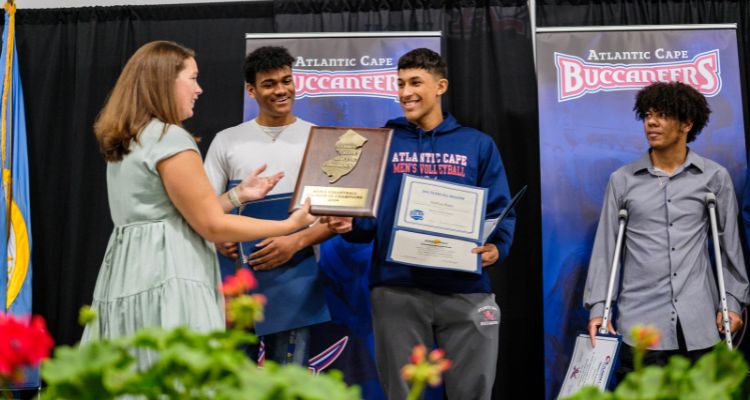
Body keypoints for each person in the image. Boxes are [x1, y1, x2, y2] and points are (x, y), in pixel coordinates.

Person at [80, 41, 315, 368]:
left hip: (127, 272)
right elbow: (210, 225)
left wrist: (237, 196)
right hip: (170, 272)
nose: (199, 89)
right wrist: (291, 226)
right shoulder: (171, 138)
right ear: (165, 82)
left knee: (135, 374)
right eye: (192, 78)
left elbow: (171, 211)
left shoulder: (132, 137)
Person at [325, 48, 516, 399]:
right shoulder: (382, 142)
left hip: (465, 287)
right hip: (397, 288)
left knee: (473, 392)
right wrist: (348, 224)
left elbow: (499, 210)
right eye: (399, 84)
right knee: (402, 393)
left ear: (440, 86)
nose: (405, 92)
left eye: (415, 82)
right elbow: (366, 219)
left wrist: (496, 247)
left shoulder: (477, 144)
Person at [584, 81, 750, 377]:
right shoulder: (622, 181)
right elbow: (606, 250)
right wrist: (599, 308)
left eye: (661, 115)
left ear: (687, 123)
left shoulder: (713, 178)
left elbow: (730, 248)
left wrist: (734, 303)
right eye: (647, 115)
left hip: (699, 324)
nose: (651, 122)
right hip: (641, 326)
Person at [204, 46, 333, 366]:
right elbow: (203, 207)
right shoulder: (226, 140)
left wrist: (295, 241)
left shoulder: (319, 137)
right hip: (234, 282)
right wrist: (217, 237)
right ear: (251, 90)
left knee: (288, 385)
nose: (281, 90)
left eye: (286, 80)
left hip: (294, 282)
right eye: (269, 83)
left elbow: (336, 216)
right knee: (232, 383)